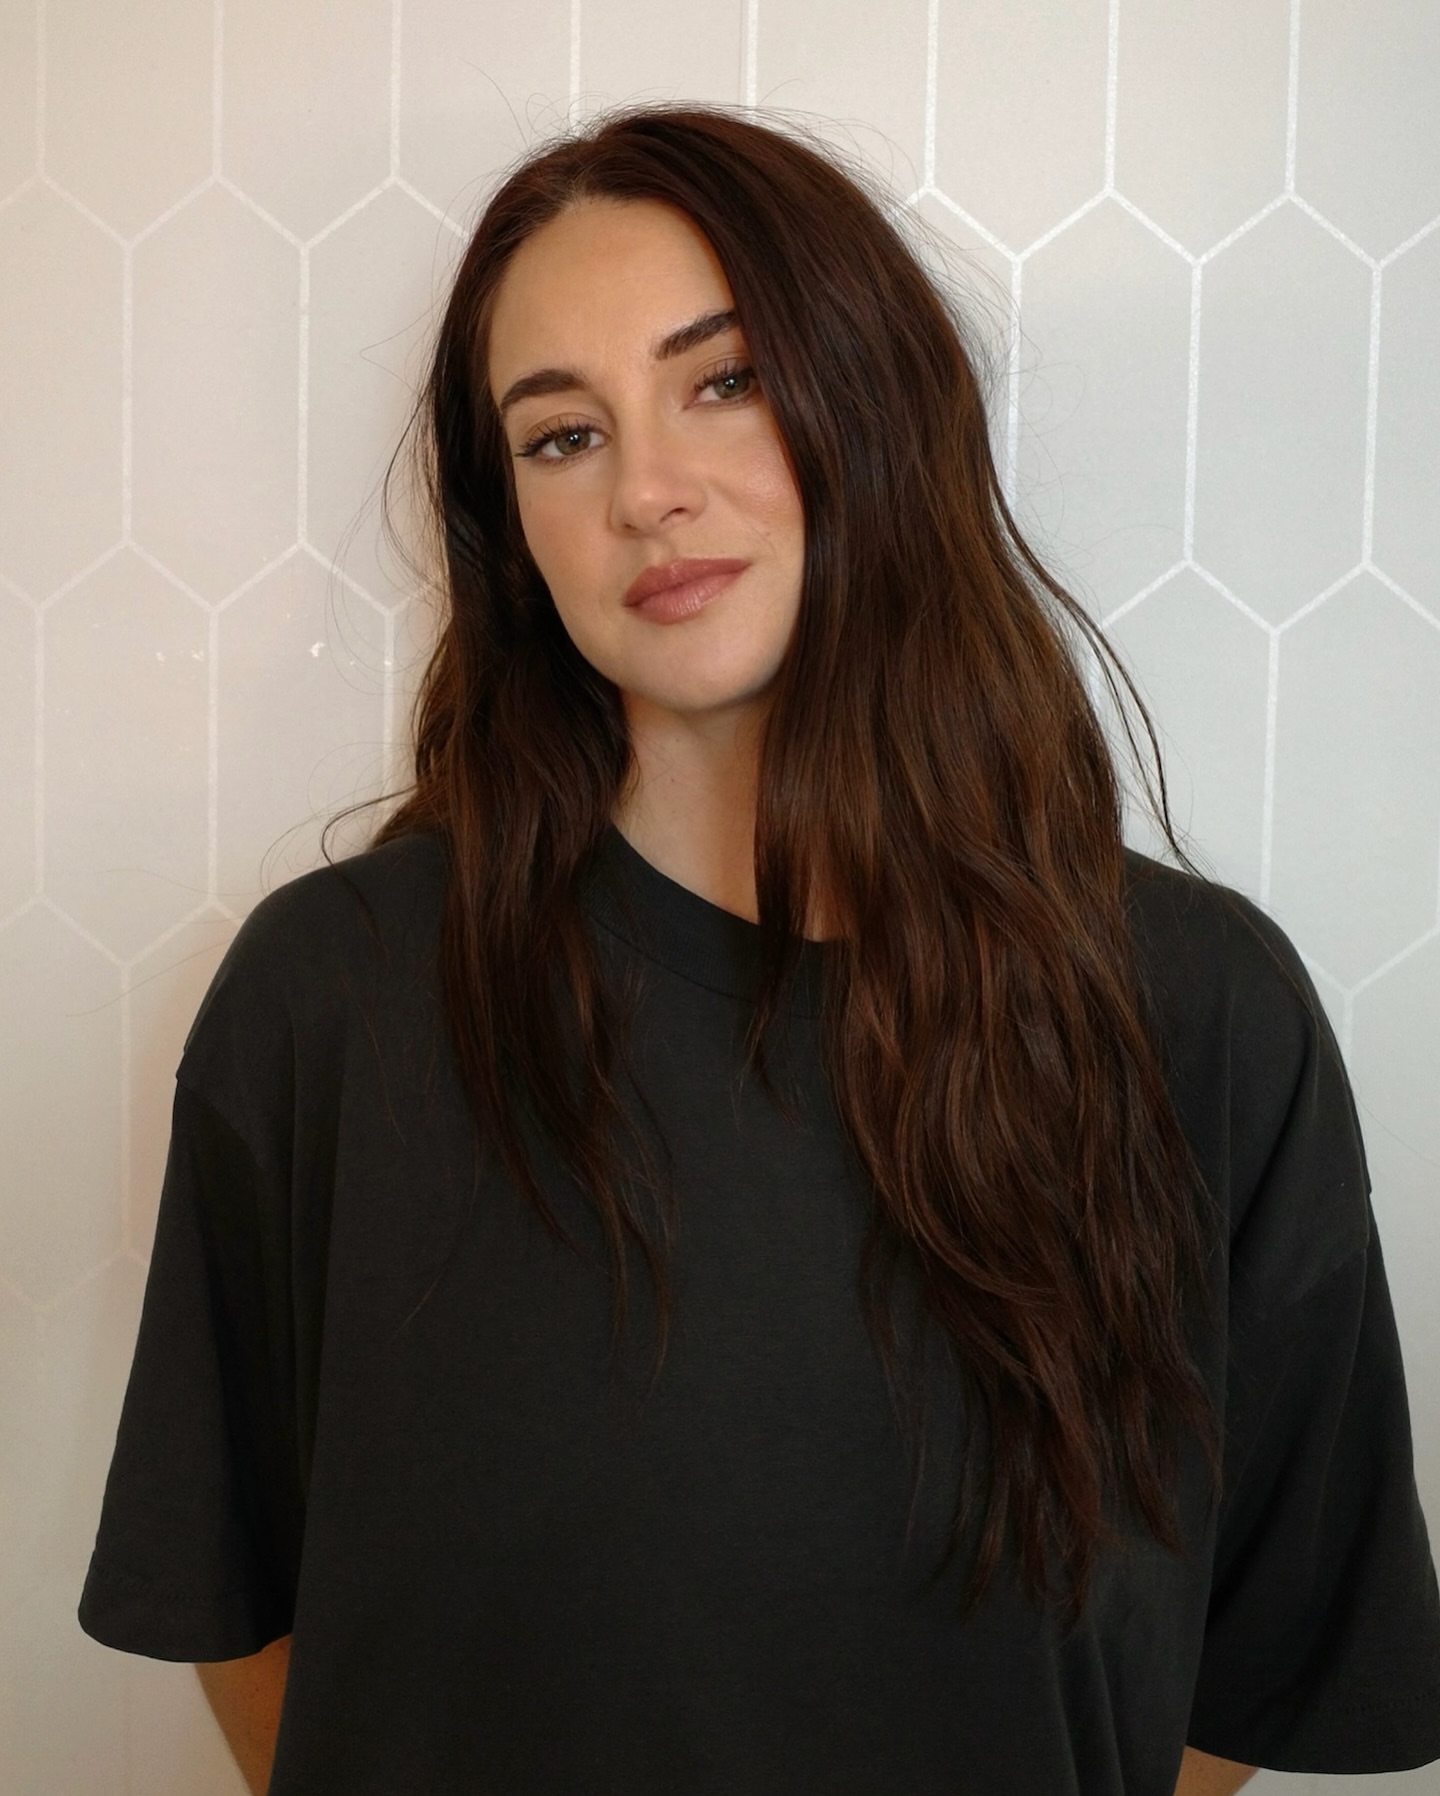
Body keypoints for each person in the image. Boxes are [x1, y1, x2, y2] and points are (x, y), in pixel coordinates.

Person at [78, 103, 1440, 1796]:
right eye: (562, 436)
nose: (647, 490)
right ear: (510, 527)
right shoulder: (332, 999)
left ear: (877, 397)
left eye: (723, 379)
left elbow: (1248, 1671)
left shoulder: (1202, 1015)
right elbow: (238, 1607)